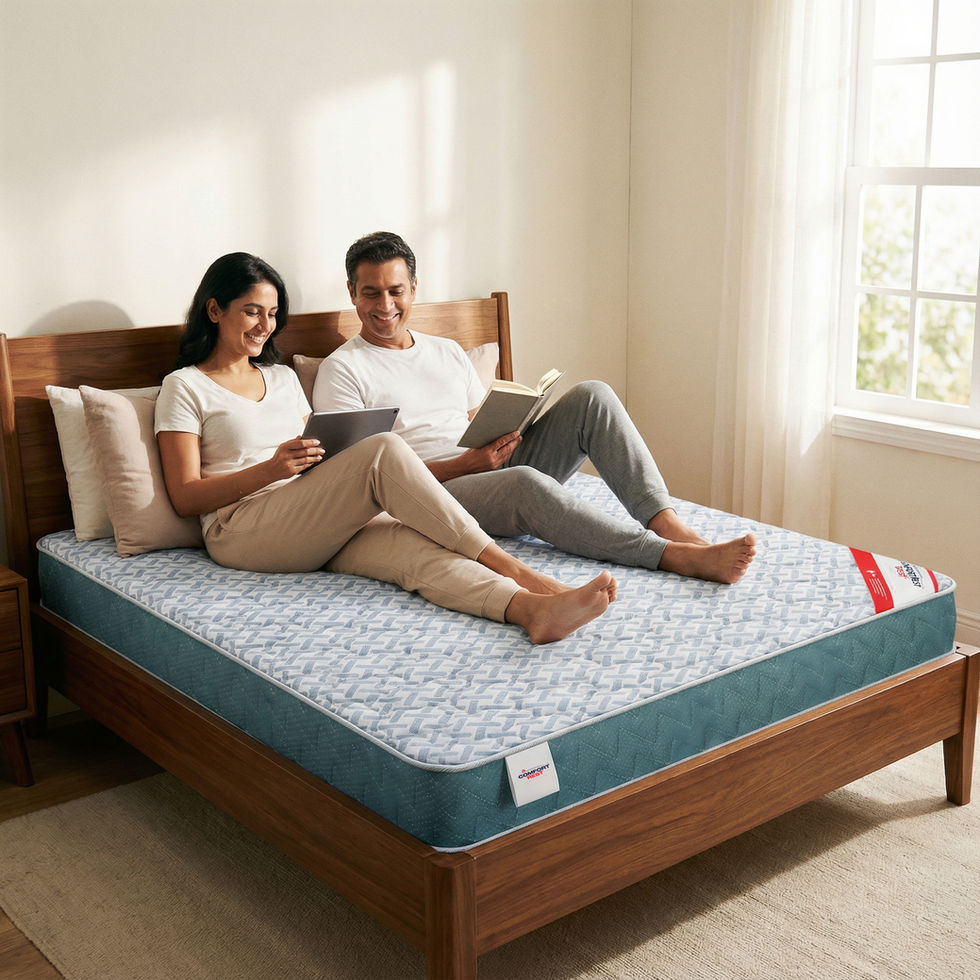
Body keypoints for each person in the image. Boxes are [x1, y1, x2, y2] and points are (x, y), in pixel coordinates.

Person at [153, 252, 617, 645]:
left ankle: (529, 610)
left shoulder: (282, 378)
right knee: (383, 449)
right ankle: (517, 571)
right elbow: (185, 495)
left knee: (414, 552)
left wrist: (322, 464)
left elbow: (314, 457)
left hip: (307, 517)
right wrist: (272, 469)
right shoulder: (186, 387)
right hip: (240, 529)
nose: (264, 326)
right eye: (252, 311)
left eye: (272, 314)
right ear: (214, 310)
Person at [313, 232, 756, 584]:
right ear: (352, 293)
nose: (385, 306)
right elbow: (369, 481)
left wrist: (509, 431)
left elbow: (472, 424)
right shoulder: (343, 370)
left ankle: (668, 524)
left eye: (395, 291)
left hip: (483, 467)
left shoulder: (446, 351)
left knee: (593, 396)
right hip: (430, 494)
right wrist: (467, 465)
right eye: (371, 293)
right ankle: (669, 556)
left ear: (413, 289)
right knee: (523, 482)